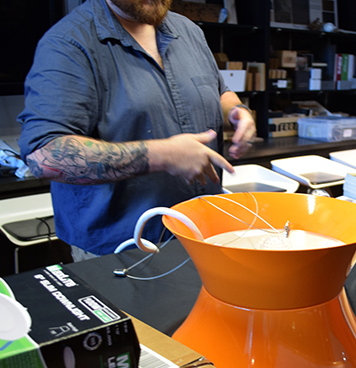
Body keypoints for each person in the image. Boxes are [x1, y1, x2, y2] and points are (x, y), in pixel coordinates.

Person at [17, 0, 256, 260]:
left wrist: (236, 111)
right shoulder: (67, 43)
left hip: (203, 232)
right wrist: (162, 155)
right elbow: (44, 155)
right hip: (123, 248)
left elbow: (219, 91)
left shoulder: (187, 31)